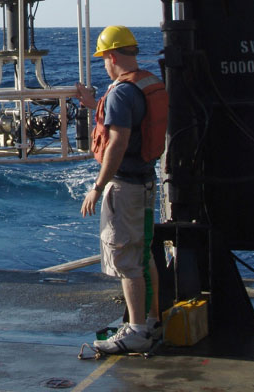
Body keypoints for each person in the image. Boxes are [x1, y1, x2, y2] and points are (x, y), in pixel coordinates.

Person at [77, 25, 167, 354]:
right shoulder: (145, 83)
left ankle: (137, 331)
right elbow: (127, 121)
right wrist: (92, 105)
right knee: (144, 256)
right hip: (145, 180)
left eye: (103, 58)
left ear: (112, 56)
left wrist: (97, 188)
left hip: (125, 188)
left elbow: (118, 141)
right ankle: (152, 321)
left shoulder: (121, 93)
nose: (103, 64)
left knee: (127, 261)